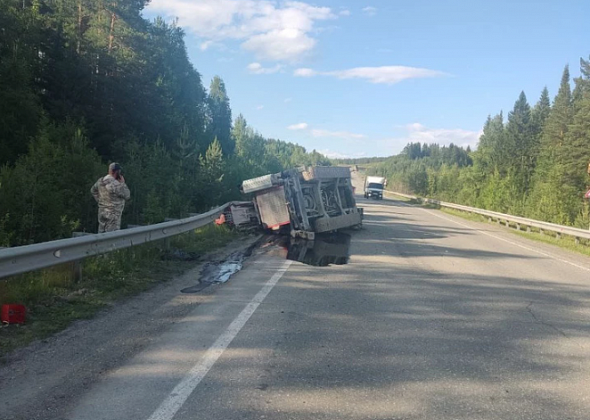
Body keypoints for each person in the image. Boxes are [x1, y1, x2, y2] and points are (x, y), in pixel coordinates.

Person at [91, 163, 131, 233]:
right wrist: (122, 183)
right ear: (116, 172)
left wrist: (100, 201)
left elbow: (93, 190)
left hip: (102, 211)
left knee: (101, 235)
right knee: (112, 237)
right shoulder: (116, 184)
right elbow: (127, 195)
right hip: (113, 215)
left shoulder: (101, 181)